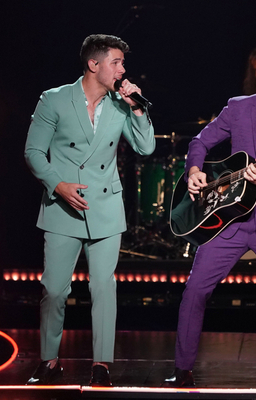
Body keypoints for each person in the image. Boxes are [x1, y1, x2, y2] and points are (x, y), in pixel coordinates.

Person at [162, 43, 256, 388]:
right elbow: (200, 142)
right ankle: (182, 369)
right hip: (229, 219)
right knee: (195, 290)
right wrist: (194, 171)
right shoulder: (239, 106)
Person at [24, 34, 155, 386]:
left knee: (103, 287)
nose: (123, 70)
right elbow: (33, 152)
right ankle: (49, 360)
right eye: (117, 62)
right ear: (93, 64)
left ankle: (102, 364)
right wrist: (58, 185)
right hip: (63, 207)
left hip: (105, 206)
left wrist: (137, 108)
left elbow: (145, 147)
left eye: (123, 63)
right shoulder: (54, 99)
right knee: (54, 290)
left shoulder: (120, 104)